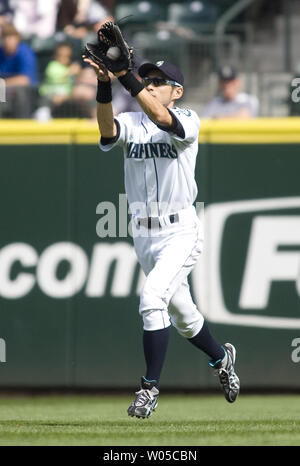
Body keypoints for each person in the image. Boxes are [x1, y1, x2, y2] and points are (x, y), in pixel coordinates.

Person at [83, 52, 240, 418]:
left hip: (180, 230)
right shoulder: (132, 122)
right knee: (184, 316)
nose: (150, 85)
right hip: (143, 236)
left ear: (177, 91)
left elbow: (160, 117)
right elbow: (107, 131)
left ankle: (149, 388)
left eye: (158, 82)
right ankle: (222, 357)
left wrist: (126, 76)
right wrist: (106, 84)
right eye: (146, 80)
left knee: (152, 299)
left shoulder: (188, 119)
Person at [0, 23, 38, 117]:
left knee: (20, 91)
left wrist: (2, 83)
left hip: (28, 92)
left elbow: (24, 80)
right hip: (4, 90)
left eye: (10, 37)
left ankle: (23, 124)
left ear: (17, 38)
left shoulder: (25, 52)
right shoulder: (1, 52)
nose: (7, 41)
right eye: (5, 37)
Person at [39, 42, 81, 112]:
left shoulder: (69, 67)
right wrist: (69, 72)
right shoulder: (53, 65)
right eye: (62, 56)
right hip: (50, 94)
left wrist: (79, 73)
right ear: (56, 56)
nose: (65, 59)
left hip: (67, 96)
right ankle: (43, 113)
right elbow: (56, 79)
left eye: (68, 56)